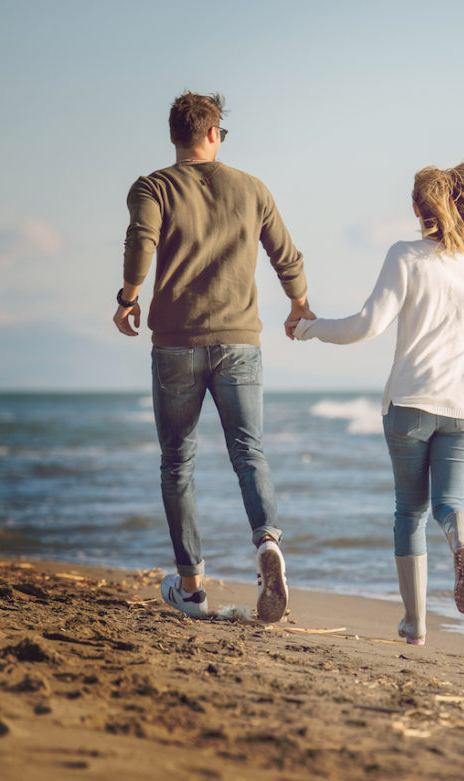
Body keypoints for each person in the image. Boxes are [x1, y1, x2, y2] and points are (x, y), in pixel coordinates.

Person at [113, 91, 313, 623]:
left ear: (176, 136)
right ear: (211, 133)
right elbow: (285, 255)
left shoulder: (153, 186)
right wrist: (299, 305)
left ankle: (193, 588)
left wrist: (128, 298)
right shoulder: (252, 188)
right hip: (240, 343)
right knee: (248, 451)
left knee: (178, 462)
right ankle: (268, 544)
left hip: (176, 344)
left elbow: (141, 241)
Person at [293, 161, 464, 645]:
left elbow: (366, 325)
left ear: (418, 208)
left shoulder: (405, 256)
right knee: (452, 503)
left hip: (411, 403)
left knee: (409, 512)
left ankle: (415, 625)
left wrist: (310, 328)